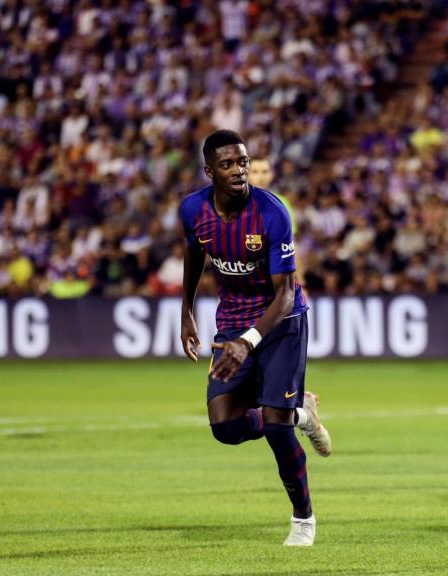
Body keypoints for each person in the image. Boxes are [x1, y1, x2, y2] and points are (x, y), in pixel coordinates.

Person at [179, 130, 332, 547]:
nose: (239, 170)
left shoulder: (271, 213)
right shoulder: (193, 209)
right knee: (225, 426)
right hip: (232, 321)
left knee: (277, 429)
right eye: (227, 164)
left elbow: (285, 294)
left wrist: (247, 342)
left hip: (281, 323)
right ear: (210, 171)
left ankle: (303, 520)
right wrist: (187, 313)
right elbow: (194, 256)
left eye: (243, 162)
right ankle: (302, 412)